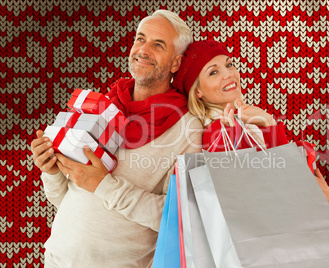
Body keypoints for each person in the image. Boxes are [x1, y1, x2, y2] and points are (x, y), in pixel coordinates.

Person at [30, 10, 203, 267]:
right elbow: (66, 198)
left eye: (158, 44)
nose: (143, 50)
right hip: (58, 259)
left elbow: (176, 217)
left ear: (175, 63)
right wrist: (52, 170)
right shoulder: (103, 105)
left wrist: (104, 185)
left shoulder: (187, 129)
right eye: (140, 39)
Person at [172, 39, 329, 208]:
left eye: (229, 64)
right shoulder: (216, 131)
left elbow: (285, 175)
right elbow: (244, 192)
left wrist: (270, 124)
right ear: (197, 90)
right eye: (213, 72)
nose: (228, 74)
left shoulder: (249, 121)